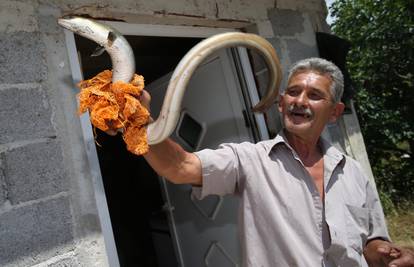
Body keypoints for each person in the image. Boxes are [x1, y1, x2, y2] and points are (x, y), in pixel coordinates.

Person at [139, 58, 414, 266]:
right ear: (281, 103)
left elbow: (371, 241)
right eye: (293, 93)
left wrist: (384, 252)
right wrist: (140, 121)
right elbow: (179, 167)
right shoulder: (250, 160)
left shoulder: (352, 172)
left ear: (334, 113)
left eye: (315, 95)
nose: (300, 101)